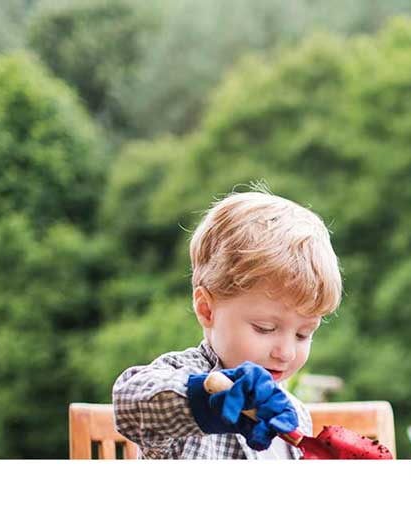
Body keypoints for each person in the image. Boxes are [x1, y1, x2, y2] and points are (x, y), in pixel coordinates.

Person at [113, 188, 343, 459]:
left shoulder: (295, 416)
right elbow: (129, 401)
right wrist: (207, 400)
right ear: (207, 309)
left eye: (303, 334)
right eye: (264, 328)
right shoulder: (181, 376)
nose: (286, 352)